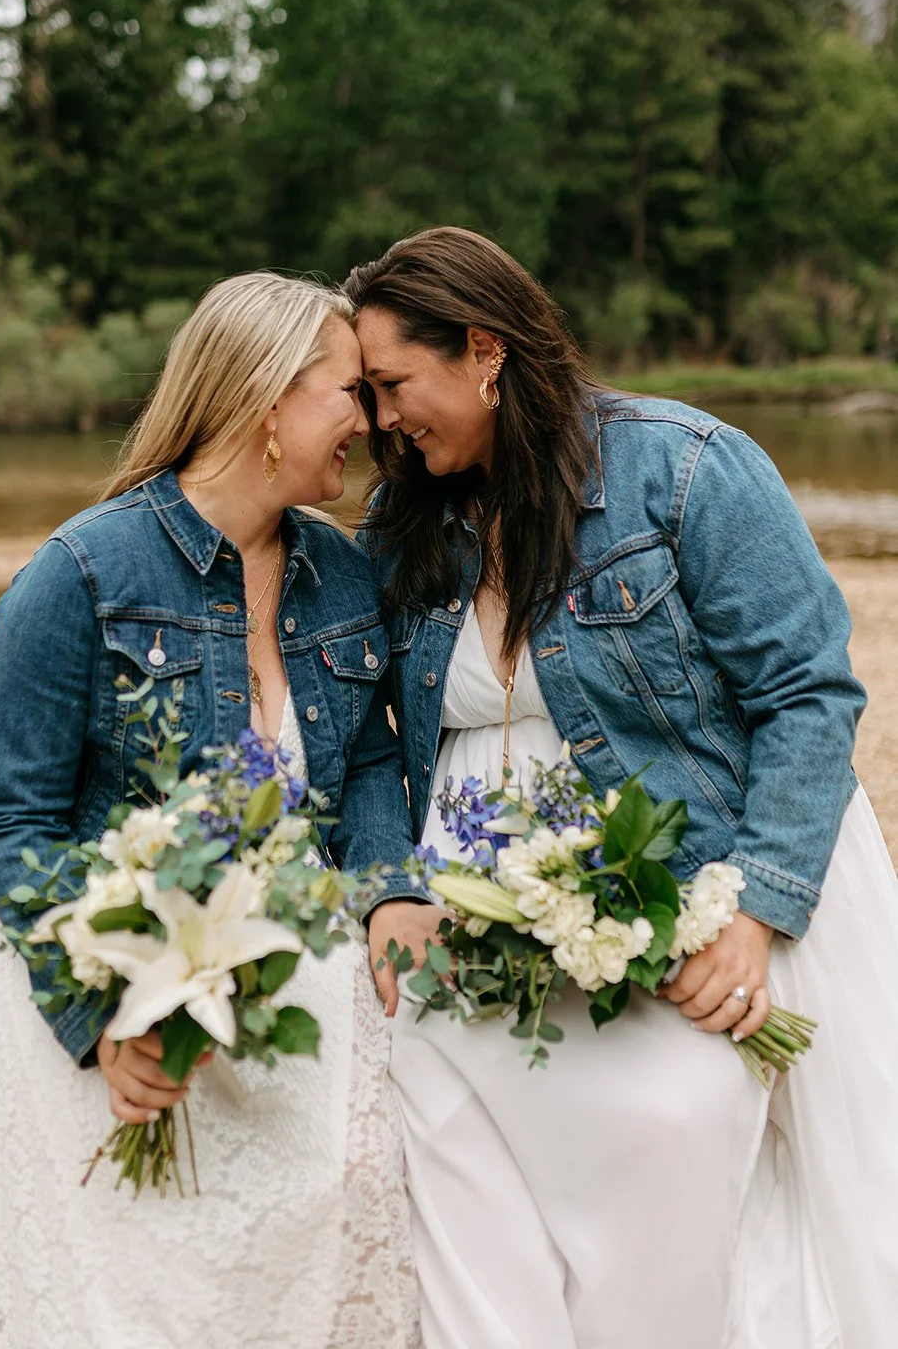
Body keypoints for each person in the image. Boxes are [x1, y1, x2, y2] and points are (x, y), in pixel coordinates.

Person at [348, 226, 898, 1349]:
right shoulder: (400, 519)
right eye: (362, 393)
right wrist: (387, 888)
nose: (381, 418)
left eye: (395, 383)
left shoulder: (687, 467)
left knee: (682, 1145)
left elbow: (806, 695)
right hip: (472, 923)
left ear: (483, 351)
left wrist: (753, 911)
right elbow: (364, 739)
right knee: (446, 1147)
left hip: (693, 878)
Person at [0, 272, 421, 1349]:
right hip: (110, 960)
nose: (370, 426)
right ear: (265, 405)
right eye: (347, 394)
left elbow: (371, 762)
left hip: (280, 951)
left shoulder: (342, 571)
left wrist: (388, 892)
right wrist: (105, 1019)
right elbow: (6, 827)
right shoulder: (78, 576)